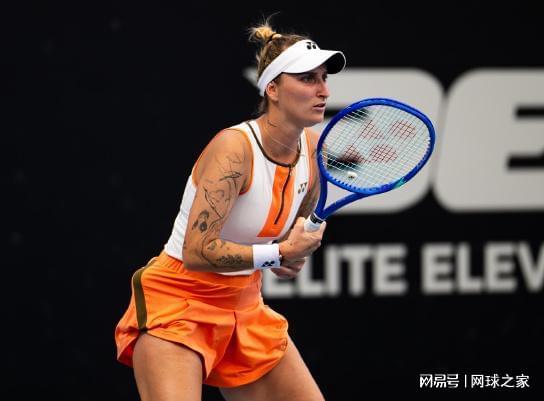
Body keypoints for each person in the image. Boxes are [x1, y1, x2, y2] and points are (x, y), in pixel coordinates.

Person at [115, 19, 346, 401]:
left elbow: (290, 236)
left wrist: (290, 255)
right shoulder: (234, 149)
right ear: (272, 89)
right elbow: (197, 251)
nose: (323, 90)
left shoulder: (312, 148)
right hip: (179, 303)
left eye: (323, 78)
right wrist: (278, 254)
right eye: (307, 79)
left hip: (245, 306)